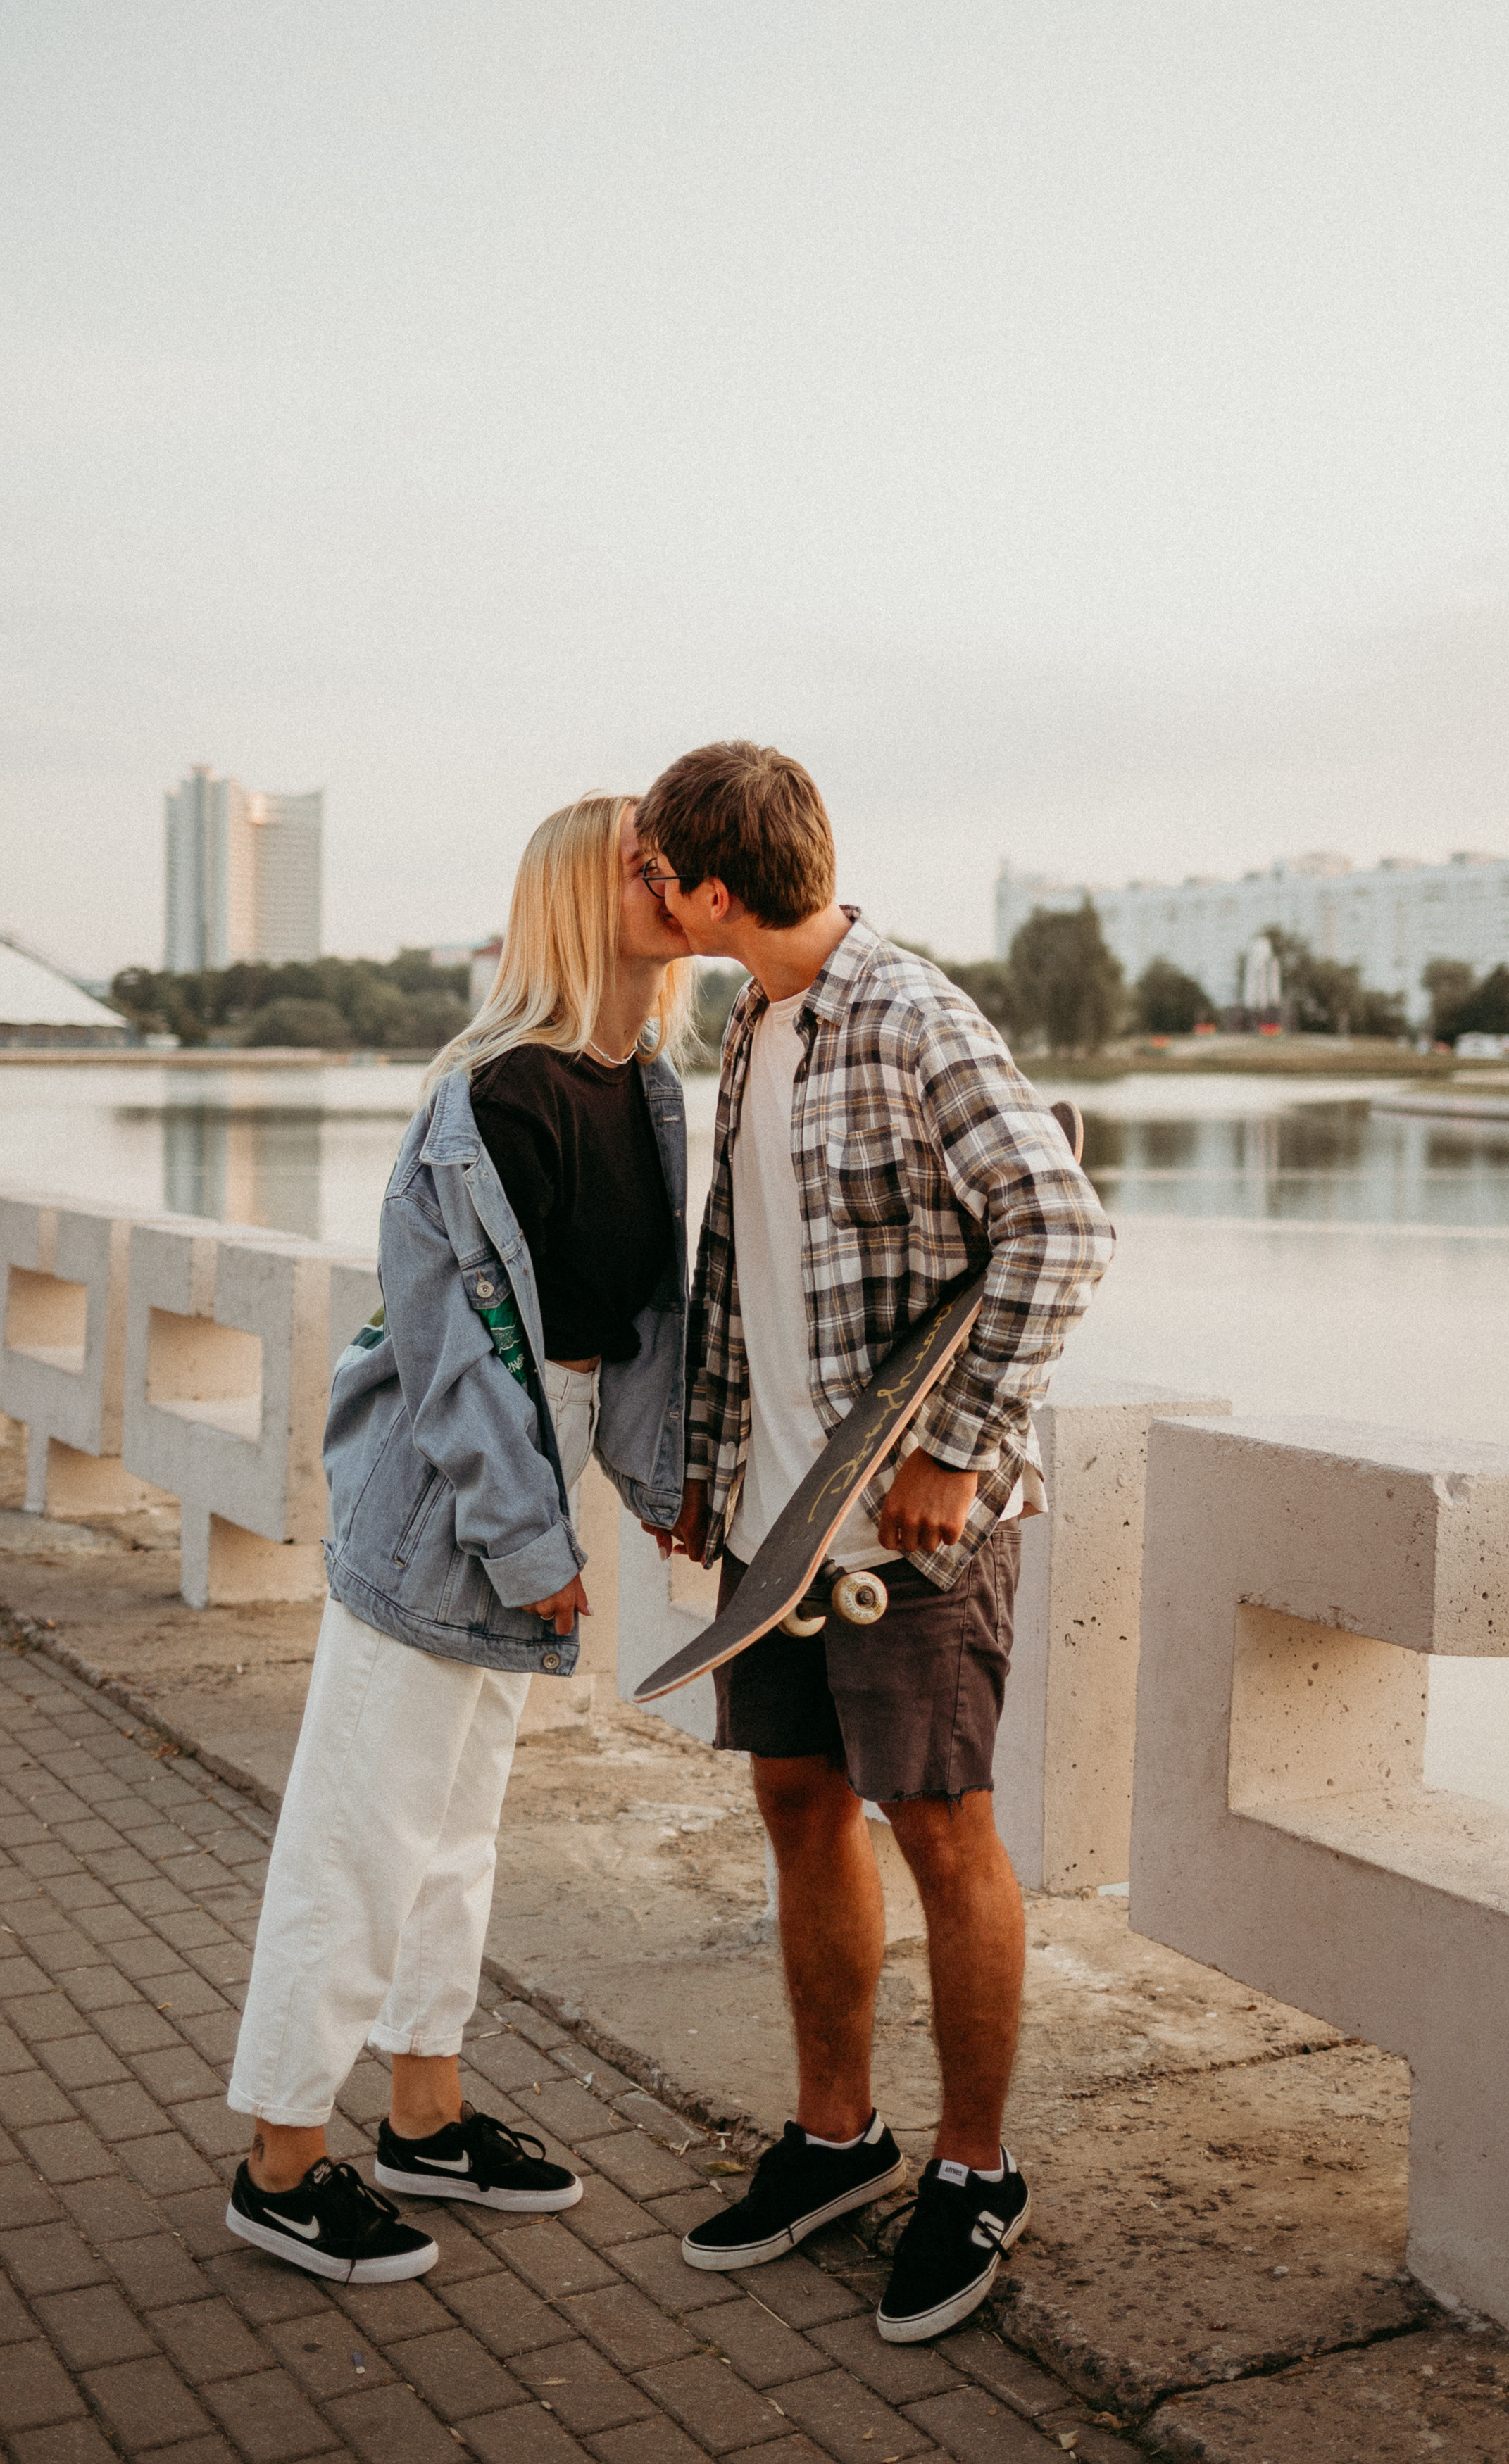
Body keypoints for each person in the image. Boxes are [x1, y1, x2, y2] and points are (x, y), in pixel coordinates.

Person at [635, 743, 1113, 2342]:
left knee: (941, 1829)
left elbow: (1062, 1228)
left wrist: (953, 1448)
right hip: (774, 1528)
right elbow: (740, 1274)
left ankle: (976, 2171)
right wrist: (705, 1462)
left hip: (909, 1534)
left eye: (657, 873)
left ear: (713, 891)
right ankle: (837, 2140)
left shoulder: (911, 1016)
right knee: (795, 1802)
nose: (647, 894)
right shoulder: (751, 1022)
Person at [224, 794, 694, 2283]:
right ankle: (279, 2162)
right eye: (642, 861)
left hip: (537, 1475)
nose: (673, 877)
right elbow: (454, 1364)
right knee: (360, 1830)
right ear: (577, 894)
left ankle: (424, 2114)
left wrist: (662, 1485)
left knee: (455, 1825)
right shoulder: (486, 1098)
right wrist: (531, 1544)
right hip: (448, 1495)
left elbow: (634, 1326)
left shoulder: (649, 1086)